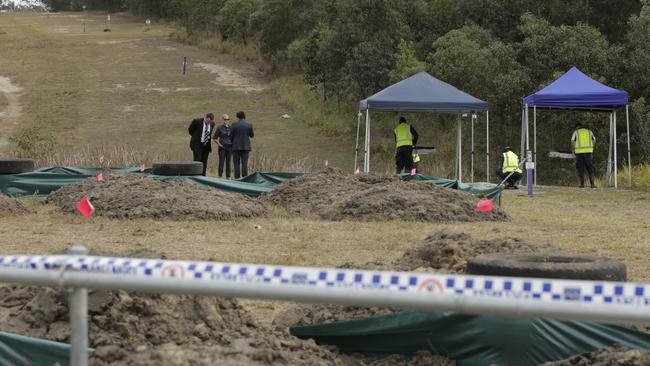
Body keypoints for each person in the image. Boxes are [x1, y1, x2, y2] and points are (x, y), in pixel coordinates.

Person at [571, 123, 596, 188]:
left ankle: (582, 184)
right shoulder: (589, 132)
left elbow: (572, 141)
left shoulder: (575, 132)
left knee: (580, 168)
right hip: (588, 152)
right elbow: (594, 140)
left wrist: (573, 150)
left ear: (577, 127)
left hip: (579, 153)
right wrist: (591, 147)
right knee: (590, 168)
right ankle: (592, 184)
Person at [231, 111, 254, 179]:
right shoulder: (249, 124)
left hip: (236, 147)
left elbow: (231, 136)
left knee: (236, 164)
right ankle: (245, 179)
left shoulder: (234, 124)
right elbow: (252, 135)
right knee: (244, 164)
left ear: (237, 116)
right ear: (244, 116)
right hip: (246, 147)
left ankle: (237, 179)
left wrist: (233, 142)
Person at [213, 114, 232, 179]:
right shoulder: (219, 128)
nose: (226, 121)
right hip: (222, 147)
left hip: (230, 147)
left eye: (227, 119)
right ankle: (220, 176)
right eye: (225, 119)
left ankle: (228, 177)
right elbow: (214, 138)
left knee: (228, 162)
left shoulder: (231, 127)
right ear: (222, 120)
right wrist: (219, 144)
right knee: (221, 162)